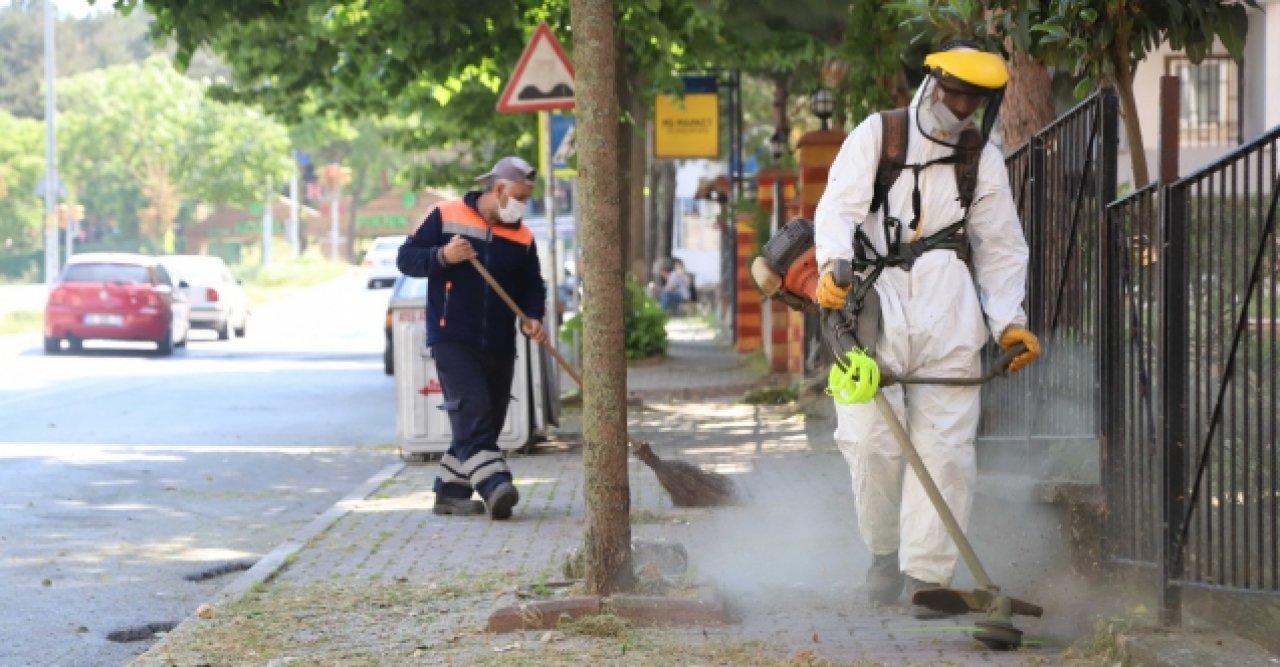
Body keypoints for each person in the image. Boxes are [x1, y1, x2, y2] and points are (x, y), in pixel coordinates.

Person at [812, 42, 1041, 617]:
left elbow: (1001, 247)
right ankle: (884, 553)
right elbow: (836, 207)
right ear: (934, 85)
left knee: (946, 450)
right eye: (956, 93)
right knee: (871, 442)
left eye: (975, 100)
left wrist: (1009, 322)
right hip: (872, 306)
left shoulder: (981, 159)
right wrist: (830, 267)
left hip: (949, 308)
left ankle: (925, 576)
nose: (962, 107)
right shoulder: (879, 135)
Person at [397, 156, 548, 520]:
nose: (522, 206)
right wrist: (443, 255)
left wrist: (533, 317)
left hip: (499, 341)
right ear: (498, 190)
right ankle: (496, 484)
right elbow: (407, 259)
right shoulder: (446, 215)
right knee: (474, 411)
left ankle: (450, 493)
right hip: (453, 336)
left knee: (488, 420)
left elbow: (531, 286)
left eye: (527, 199)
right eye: (520, 197)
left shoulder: (522, 237)